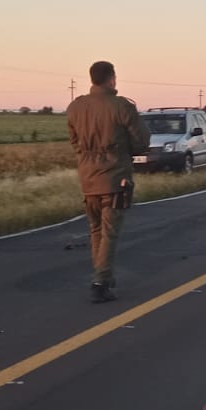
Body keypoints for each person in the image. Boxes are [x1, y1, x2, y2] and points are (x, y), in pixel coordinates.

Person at [66, 61, 150, 303]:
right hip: (115, 177)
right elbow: (142, 140)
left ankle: (100, 275)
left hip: (88, 177)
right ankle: (100, 281)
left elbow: (74, 142)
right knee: (110, 232)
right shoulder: (122, 106)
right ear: (111, 79)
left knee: (95, 230)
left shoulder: (76, 107)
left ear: (92, 78)